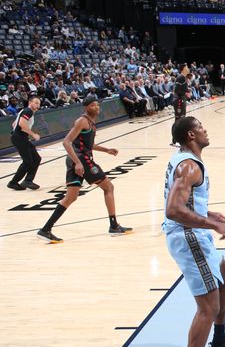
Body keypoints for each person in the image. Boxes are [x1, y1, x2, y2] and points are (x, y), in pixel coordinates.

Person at [163, 117, 225, 347]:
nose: (205, 129)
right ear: (191, 134)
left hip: (195, 233)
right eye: (201, 127)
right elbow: (173, 210)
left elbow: (183, 203)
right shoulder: (188, 166)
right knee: (208, 307)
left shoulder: (185, 160)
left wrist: (207, 213)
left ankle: (219, 344)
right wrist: (211, 224)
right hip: (189, 238)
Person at [37, 96, 132, 243]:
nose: (97, 107)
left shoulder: (91, 123)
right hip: (82, 160)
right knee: (109, 187)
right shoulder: (82, 121)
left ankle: (45, 229)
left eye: (97, 105)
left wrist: (106, 150)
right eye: (93, 105)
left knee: (71, 197)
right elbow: (66, 142)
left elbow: (89, 145)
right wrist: (78, 163)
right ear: (86, 107)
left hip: (77, 160)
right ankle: (113, 226)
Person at [8, 96, 42, 190]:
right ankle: (13, 182)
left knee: (36, 158)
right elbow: (21, 124)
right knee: (27, 161)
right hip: (20, 138)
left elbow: (14, 124)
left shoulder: (24, 111)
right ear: (30, 102)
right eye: (35, 102)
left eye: (38, 103)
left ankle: (28, 180)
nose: (37, 105)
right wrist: (33, 134)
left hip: (20, 137)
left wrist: (17, 133)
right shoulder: (28, 111)